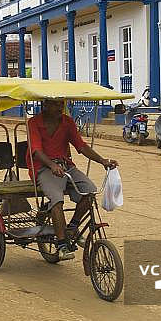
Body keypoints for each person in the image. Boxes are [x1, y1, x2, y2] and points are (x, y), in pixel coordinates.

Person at [27, 98, 118, 261]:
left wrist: (103, 161)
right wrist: (51, 165)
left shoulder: (67, 122)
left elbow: (81, 146)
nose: (59, 108)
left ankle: (73, 227)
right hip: (43, 168)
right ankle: (61, 244)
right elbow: (36, 150)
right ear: (45, 105)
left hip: (66, 166)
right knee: (57, 199)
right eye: (55, 104)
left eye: (61, 104)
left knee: (90, 191)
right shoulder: (34, 123)